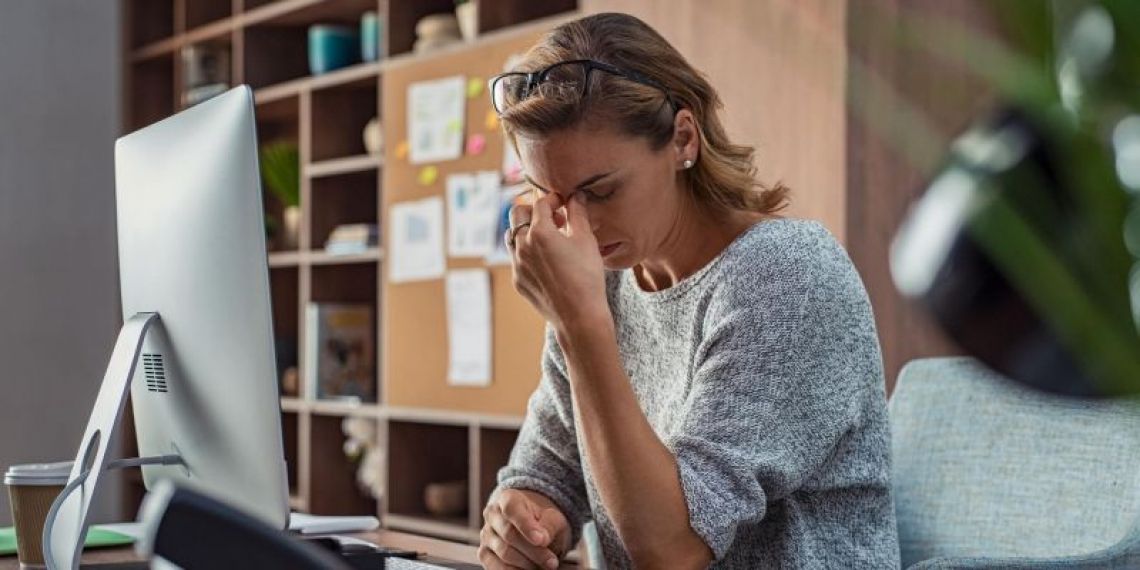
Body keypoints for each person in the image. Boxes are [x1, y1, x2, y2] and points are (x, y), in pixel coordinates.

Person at [479, 12, 899, 569]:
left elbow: (673, 548)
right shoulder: (602, 285)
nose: (574, 226)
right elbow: (548, 471)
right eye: (551, 195)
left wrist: (580, 325)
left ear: (683, 138)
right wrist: (524, 519)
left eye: (599, 190)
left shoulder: (787, 277)